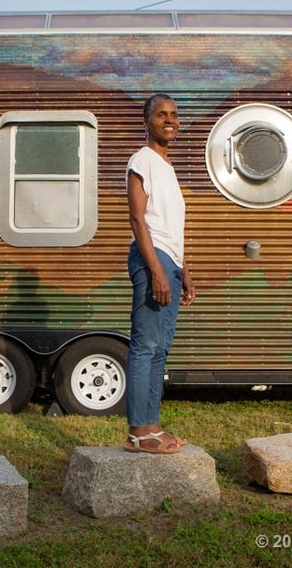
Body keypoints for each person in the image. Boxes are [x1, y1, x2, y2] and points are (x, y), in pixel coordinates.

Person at [124, 93, 196, 454]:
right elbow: (139, 219)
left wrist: (184, 271)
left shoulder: (167, 168)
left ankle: (152, 427)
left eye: (174, 115)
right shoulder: (142, 160)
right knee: (145, 346)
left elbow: (172, 225)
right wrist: (157, 271)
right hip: (151, 259)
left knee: (160, 350)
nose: (170, 120)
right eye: (161, 115)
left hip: (170, 261)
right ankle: (138, 432)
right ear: (147, 121)